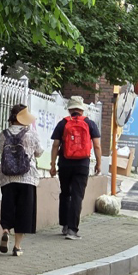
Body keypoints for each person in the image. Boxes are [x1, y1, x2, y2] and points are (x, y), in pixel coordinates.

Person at [49, 96, 101, 240]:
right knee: (77, 196)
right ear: (81, 109)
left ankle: (65, 225)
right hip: (82, 164)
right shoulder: (90, 124)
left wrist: (52, 164)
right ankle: (73, 230)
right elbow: (97, 145)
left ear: (70, 109)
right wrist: (99, 163)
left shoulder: (62, 123)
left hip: (65, 163)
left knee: (65, 193)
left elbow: (55, 145)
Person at [0, 104, 44, 256]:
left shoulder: (3, 134)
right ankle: (17, 247)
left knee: (8, 207)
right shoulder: (31, 133)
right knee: (24, 212)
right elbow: (39, 152)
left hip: (7, 178)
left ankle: (5, 230)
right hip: (27, 178)